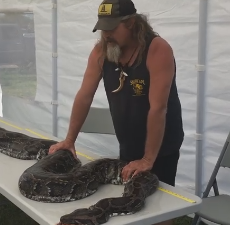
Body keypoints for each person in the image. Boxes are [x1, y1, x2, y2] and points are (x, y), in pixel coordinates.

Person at [48, 1, 184, 224]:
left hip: (161, 145)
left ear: (131, 23)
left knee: (159, 210)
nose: (106, 34)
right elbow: (84, 96)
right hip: (129, 142)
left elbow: (158, 108)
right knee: (131, 205)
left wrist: (148, 158)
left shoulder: (157, 49)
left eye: (111, 28)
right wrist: (69, 140)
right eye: (103, 28)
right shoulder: (101, 51)